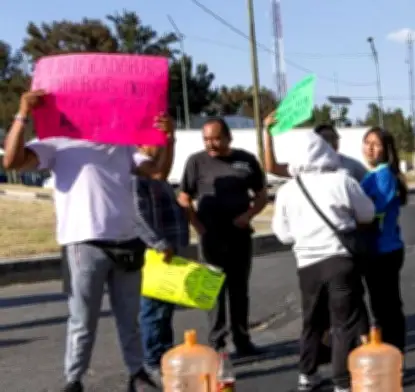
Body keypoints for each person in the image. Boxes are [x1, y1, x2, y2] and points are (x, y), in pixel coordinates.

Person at [2, 90, 176, 392]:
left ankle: (137, 374)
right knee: (82, 321)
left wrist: (168, 139)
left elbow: (158, 171)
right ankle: (74, 380)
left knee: (129, 319)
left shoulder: (121, 144)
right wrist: (23, 114)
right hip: (83, 245)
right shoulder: (56, 143)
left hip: (127, 242)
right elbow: (11, 161)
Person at [271, 132, 374, 392]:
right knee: (343, 323)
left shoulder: (287, 190)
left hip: (307, 265)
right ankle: (342, 382)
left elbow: (283, 235)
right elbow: (368, 214)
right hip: (340, 260)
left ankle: (307, 374)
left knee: (312, 321)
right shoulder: (342, 180)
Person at [177, 118, 269, 356]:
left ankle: (242, 340)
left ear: (229, 137)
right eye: (206, 139)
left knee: (239, 290)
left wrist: (248, 215)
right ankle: (217, 344)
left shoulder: (246, 161)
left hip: (239, 236)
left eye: (216, 139)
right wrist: (198, 226)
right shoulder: (196, 162)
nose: (211, 144)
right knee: (213, 291)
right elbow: (184, 198)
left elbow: (261, 195)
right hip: (211, 238)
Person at [134, 140, 190, 381]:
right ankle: (153, 360)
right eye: (157, 142)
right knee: (154, 309)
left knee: (164, 307)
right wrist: (158, 243)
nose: (162, 146)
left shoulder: (156, 173)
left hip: (168, 249)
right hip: (155, 252)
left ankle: (164, 355)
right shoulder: (137, 173)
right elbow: (137, 215)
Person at [359, 127, 409, 352]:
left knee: (387, 310)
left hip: (384, 251)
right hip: (375, 250)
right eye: (367, 142)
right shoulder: (371, 175)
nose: (370, 148)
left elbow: (373, 212)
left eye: (376, 144)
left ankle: (394, 354)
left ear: (386, 149)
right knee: (380, 308)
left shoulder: (384, 176)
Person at [263, 117, 368, 182]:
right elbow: (272, 168)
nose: (330, 143)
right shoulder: (304, 166)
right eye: (325, 139)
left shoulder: (351, 165)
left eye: (333, 138)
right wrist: (268, 133)